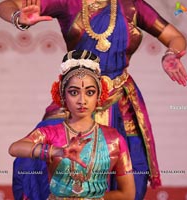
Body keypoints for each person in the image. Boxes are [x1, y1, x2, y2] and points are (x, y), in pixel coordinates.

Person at [0, 0, 187, 199]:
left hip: (120, 100)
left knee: (133, 166)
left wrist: (171, 54)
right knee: (34, 161)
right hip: (79, 88)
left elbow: (175, 37)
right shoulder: (66, 3)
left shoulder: (132, 5)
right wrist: (18, 18)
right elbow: (6, 5)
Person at [8, 50, 135, 200]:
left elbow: (127, 194)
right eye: (74, 92)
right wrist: (56, 152)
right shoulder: (50, 133)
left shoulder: (114, 139)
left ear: (99, 95)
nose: (82, 100)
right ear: (63, 95)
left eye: (90, 92)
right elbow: (15, 148)